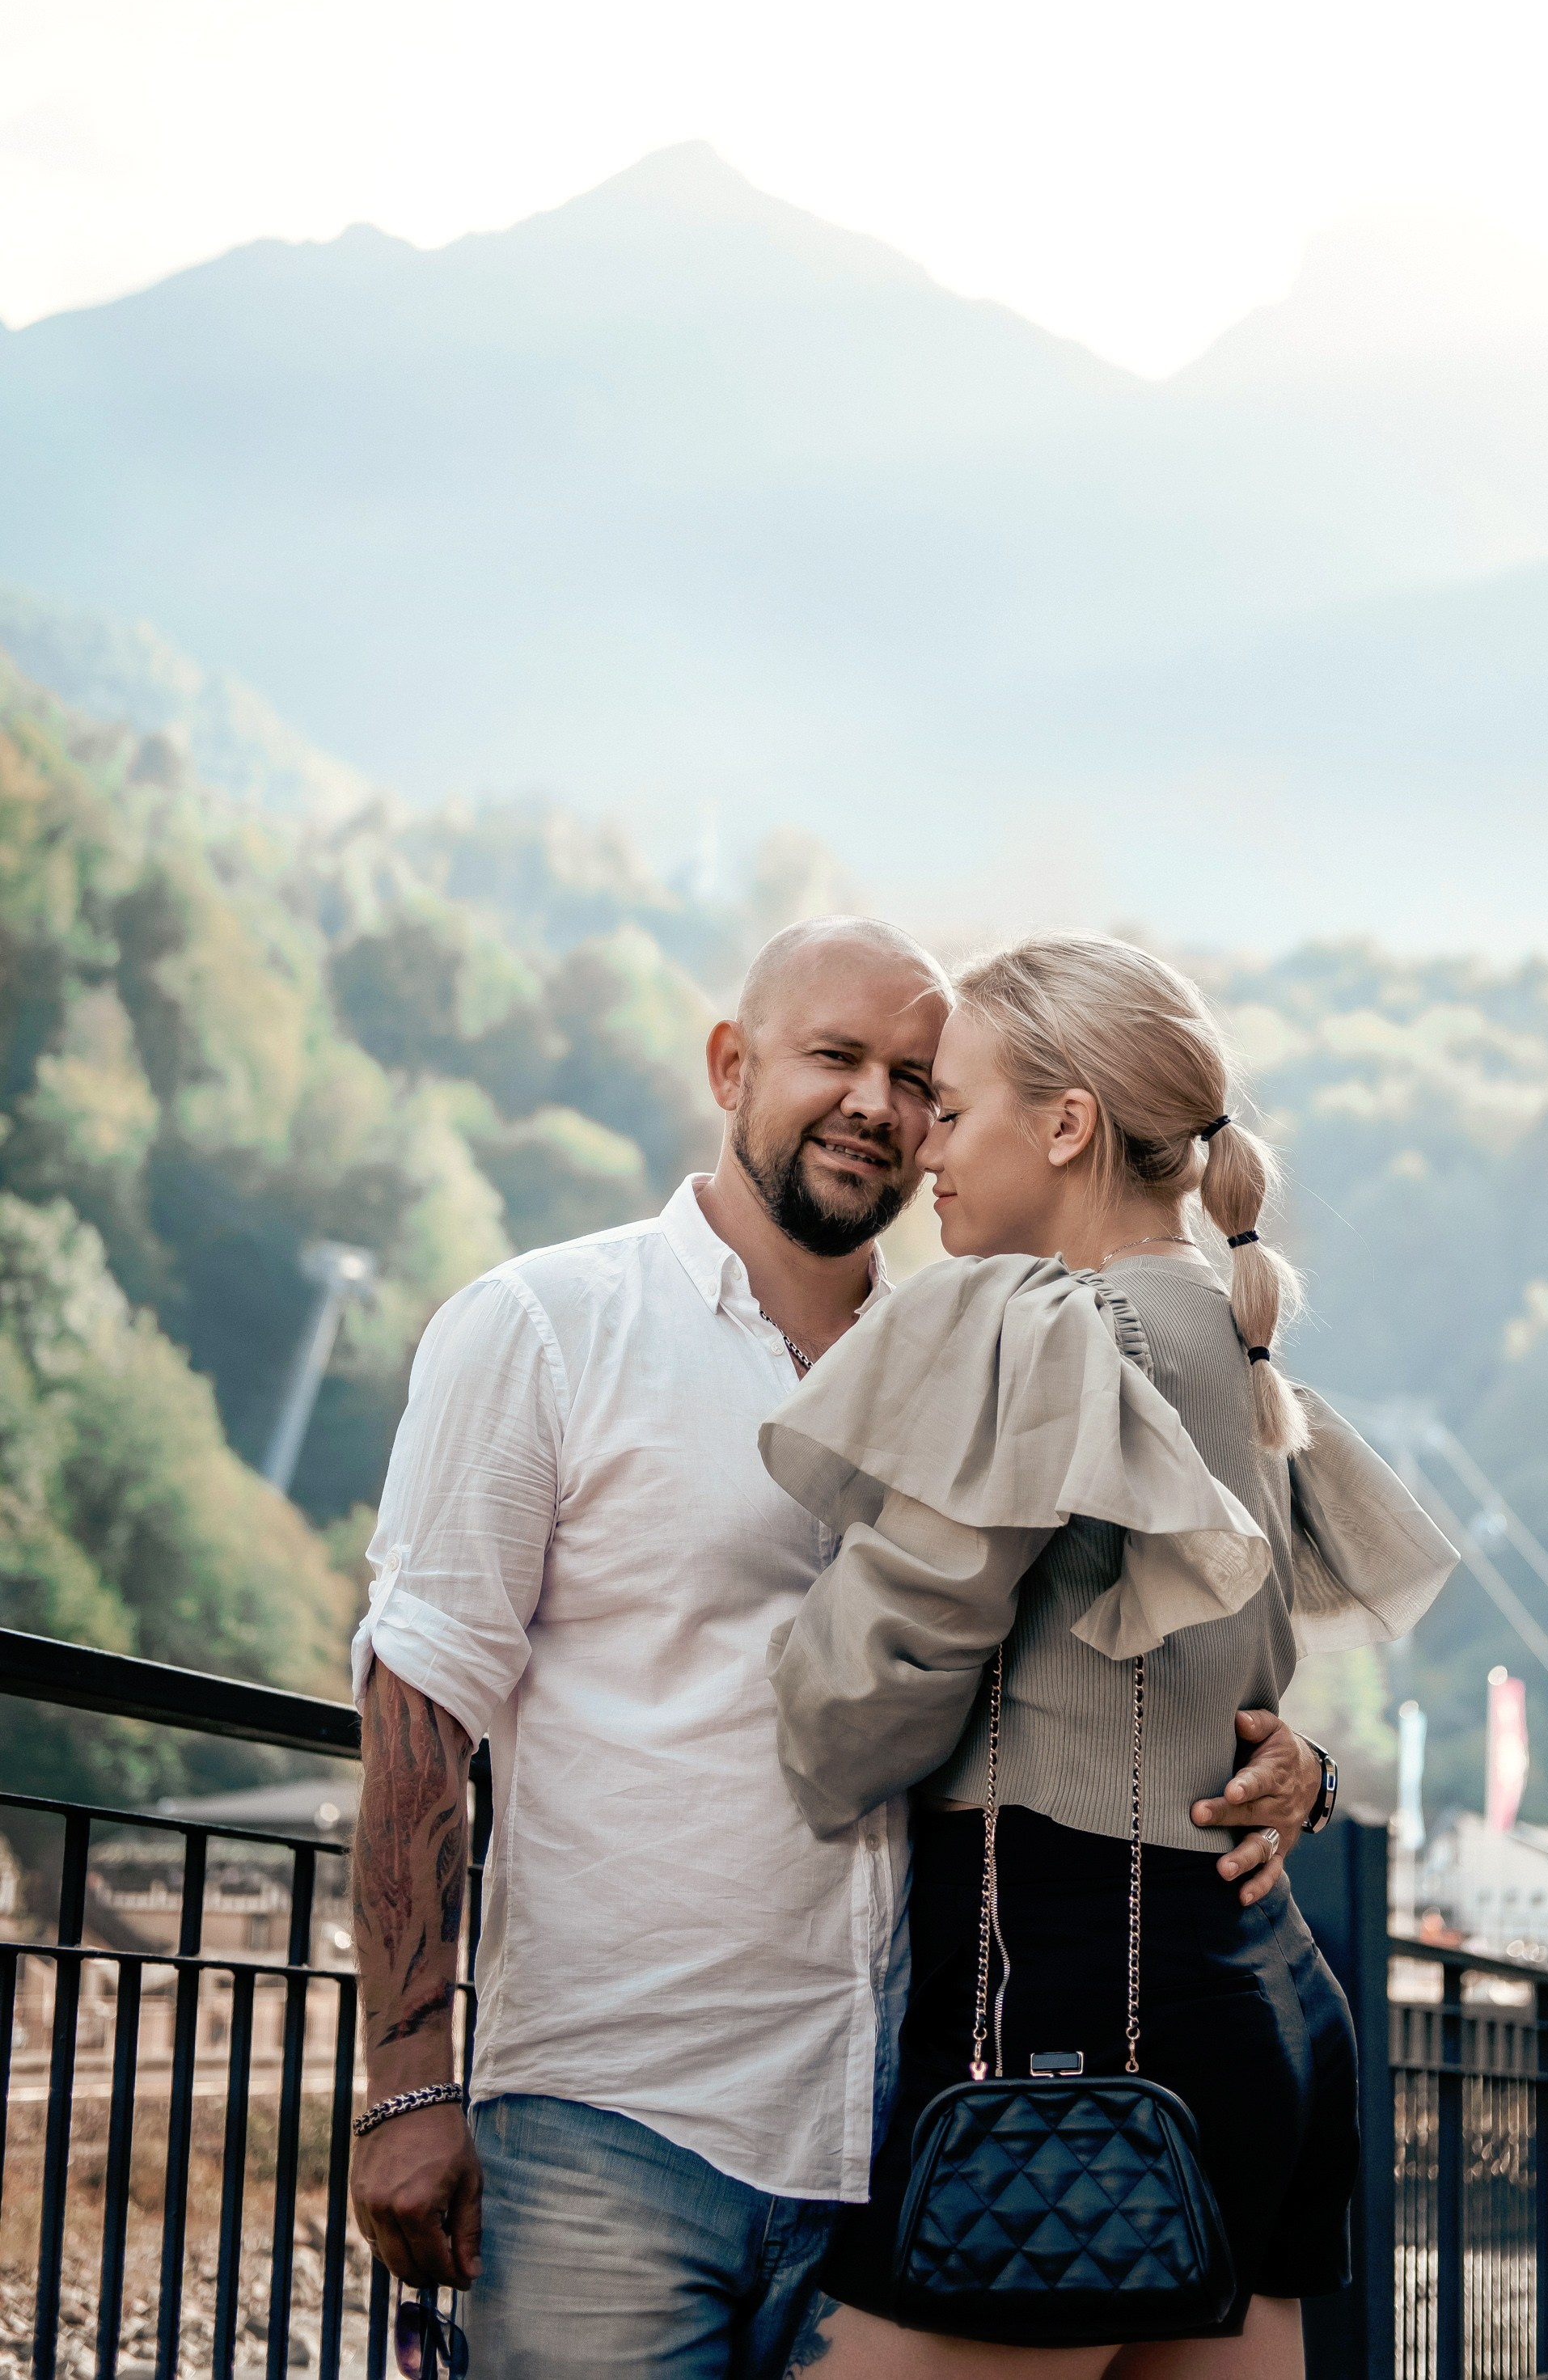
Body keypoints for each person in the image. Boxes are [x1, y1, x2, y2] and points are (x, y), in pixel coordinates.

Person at [345, 917, 1316, 2380]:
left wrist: (1285, 1766)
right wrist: (404, 2089)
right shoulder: (546, 1325)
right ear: (732, 1066)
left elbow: (1141, 1649)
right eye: (833, 1056)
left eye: (919, 1077)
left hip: (911, 2121)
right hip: (622, 2127)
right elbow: (420, 1704)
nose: (880, 1103)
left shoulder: (998, 1340)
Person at [760, 933, 1458, 2378]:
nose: (922, 1148)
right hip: (1259, 2001)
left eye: (953, 1108)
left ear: (1066, 1123)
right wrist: (1307, 1777)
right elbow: (1240, 1696)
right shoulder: (1234, 1345)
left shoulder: (1044, 1333)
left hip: (1062, 2001)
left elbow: (844, 1724)